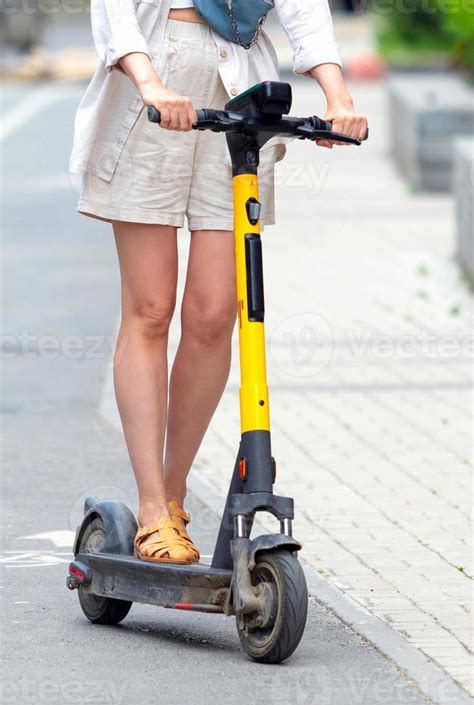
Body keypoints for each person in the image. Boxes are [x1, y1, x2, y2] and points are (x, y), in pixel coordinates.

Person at [70, 0, 368, 564]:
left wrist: (338, 96)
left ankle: (175, 499)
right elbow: (116, 9)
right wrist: (149, 80)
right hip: (154, 85)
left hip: (241, 90)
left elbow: (303, 9)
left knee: (213, 316)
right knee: (151, 308)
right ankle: (151, 507)